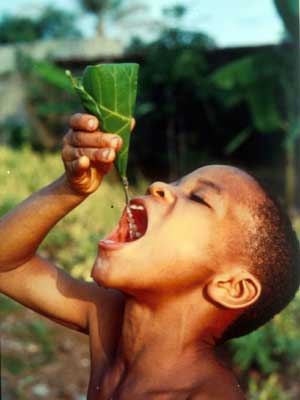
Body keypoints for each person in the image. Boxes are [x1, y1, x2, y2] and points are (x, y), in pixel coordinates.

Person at [0, 113, 299, 400]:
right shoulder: (108, 318)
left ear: (231, 287)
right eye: (177, 183)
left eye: (198, 198)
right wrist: (70, 189)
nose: (158, 186)